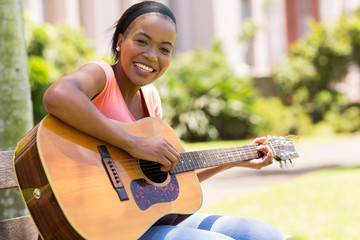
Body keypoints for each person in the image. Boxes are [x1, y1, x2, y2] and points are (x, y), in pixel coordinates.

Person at [43, 1, 284, 239]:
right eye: (142, 41)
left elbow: (169, 185)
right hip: (102, 227)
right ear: (120, 41)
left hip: (145, 223)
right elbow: (58, 95)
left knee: (266, 235)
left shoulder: (150, 99)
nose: (151, 55)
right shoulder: (102, 76)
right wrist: (133, 143)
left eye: (164, 49)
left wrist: (234, 160)